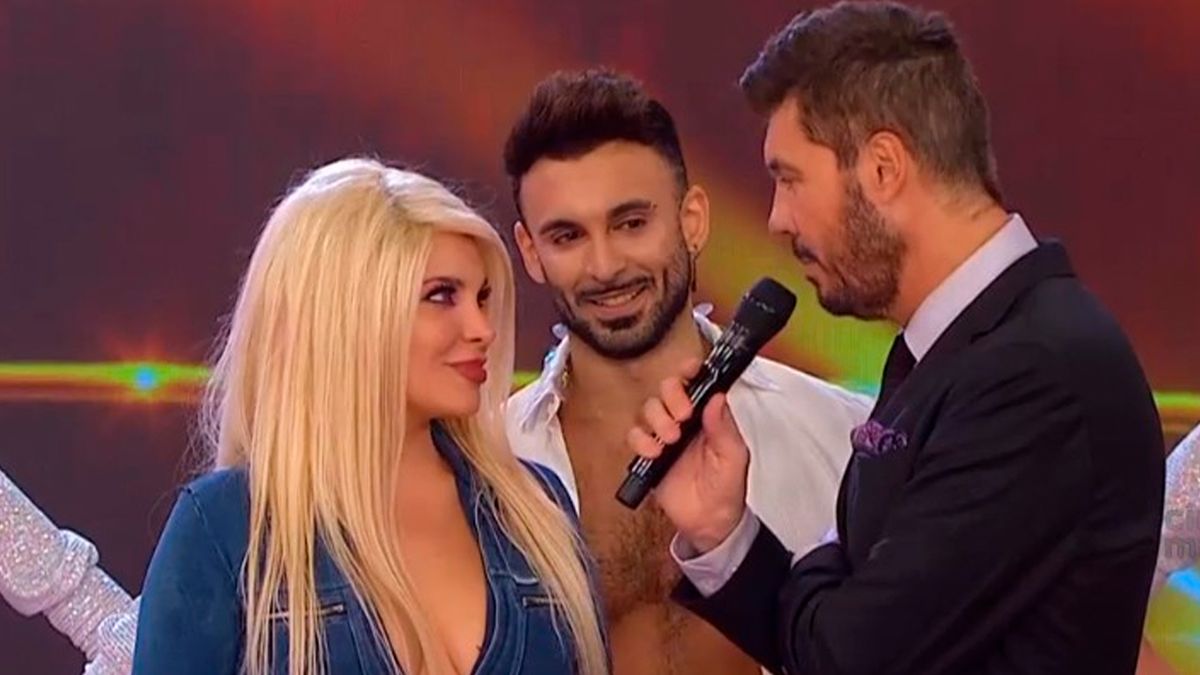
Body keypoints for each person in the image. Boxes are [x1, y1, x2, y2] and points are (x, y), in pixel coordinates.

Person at [627, 3, 1165, 673]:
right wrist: (722, 530)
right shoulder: (950, 349)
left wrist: (831, 576)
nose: (776, 219)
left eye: (789, 179)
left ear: (883, 168)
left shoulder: (1035, 373)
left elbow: (851, 656)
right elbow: (846, 626)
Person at [131, 158, 608, 675]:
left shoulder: (537, 511)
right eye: (441, 296)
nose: (481, 328)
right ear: (346, 314)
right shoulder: (226, 529)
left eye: (482, 297)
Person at [502, 69, 872, 675]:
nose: (605, 266)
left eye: (631, 223)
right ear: (530, 252)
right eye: (567, 236)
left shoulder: (838, 433)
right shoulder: (493, 463)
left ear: (693, 220)